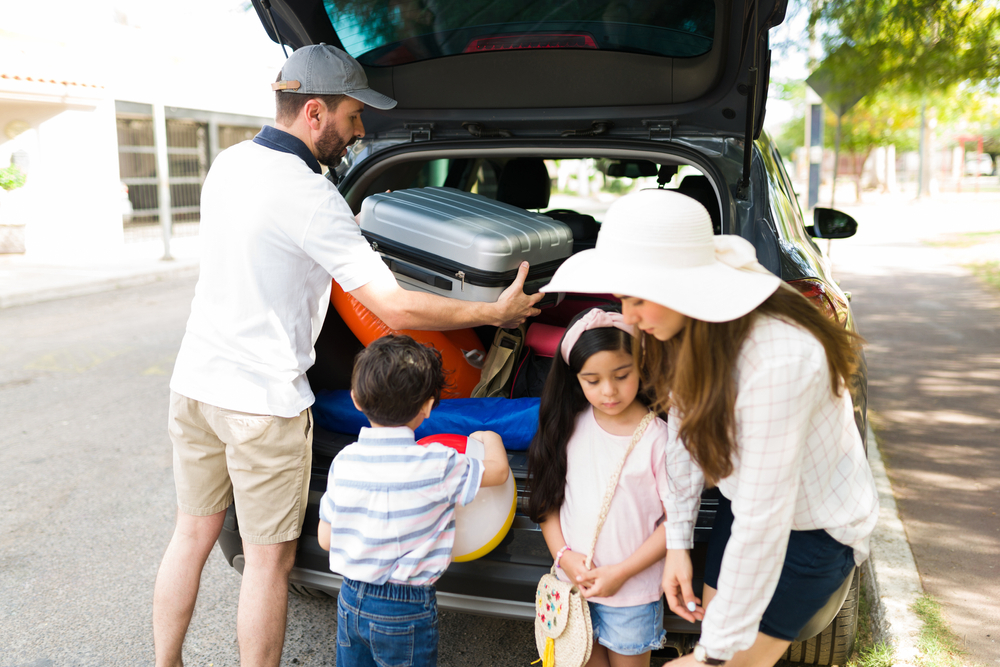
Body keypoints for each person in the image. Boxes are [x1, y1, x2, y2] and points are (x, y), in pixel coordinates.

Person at [153, 43, 540, 667]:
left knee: (190, 535)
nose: (360, 131)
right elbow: (397, 309)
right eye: (353, 116)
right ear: (314, 111)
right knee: (269, 560)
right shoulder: (310, 195)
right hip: (263, 405)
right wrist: (494, 313)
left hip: (195, 383)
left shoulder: (228, 163)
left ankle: (164, 662)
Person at [540, 189, 880, 667]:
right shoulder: (679, 330)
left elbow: (766, 519)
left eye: (638, 300)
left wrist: (714, 657)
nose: (629, 319)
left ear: (683, 287)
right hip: (746, 510)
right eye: (622, 299)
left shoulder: (778, 361)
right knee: (715, 631)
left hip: (812, 528)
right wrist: (678, 543)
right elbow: (683, 434)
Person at [317, 334, 511, 666]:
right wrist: (489, 436)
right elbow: (498, 473)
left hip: (350, 599)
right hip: (404, 608)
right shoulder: (438, 464)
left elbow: (326, 539)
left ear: (356, 400)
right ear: (428, 406)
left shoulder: (344, 461)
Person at [527, 306, 671, 667]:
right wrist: (563, 557)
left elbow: (677, 523)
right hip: (573, 587)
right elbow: (549, 503)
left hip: (632, 596)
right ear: (575, 379)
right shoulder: (568, 426)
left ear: (640, 366)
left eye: (621, 375)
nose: (609, 391)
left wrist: (620, 573)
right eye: (592, 381)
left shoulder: (659, 440)